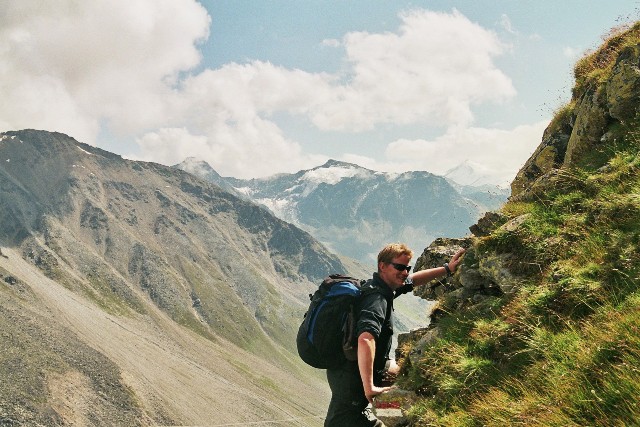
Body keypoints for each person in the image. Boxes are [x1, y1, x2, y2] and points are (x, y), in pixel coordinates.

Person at [324, 243, 465, 427]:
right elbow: (366, 338)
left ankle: (397, 419)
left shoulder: (384, 287)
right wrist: (369, 387)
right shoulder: (377, 299)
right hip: (351, 380)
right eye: (399, 267)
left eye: (407, 267)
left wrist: (447, 269)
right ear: (382, 266)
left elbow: (413, 281)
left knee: (394, 394)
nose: (405, 272)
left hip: (358, 368)